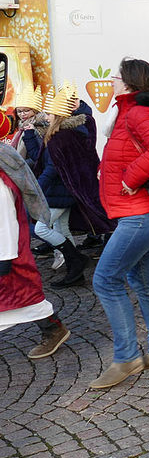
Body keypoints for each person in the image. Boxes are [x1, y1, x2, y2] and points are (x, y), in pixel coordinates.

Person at [91, 58, 149, 389]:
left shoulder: (137, 112)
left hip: (141, 212)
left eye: (116, 76)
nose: (112, 80)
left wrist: (131, 176)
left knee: (106, 280)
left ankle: (127, 357)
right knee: (143, 281)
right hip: (139, 210)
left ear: (129, 83)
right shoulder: (129, 111)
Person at [27, 84, 113, 288]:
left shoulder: (62, 137)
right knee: (61, 226)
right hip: (64, 190)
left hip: (61, 191)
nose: (45, 116)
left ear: (57, 115)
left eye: (49, 113)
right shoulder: (69, 133)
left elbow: (53, 168)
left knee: (41, 228)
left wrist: (35, 189)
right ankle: (74, 270)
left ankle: (75, 259)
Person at [0, 143, 71, 359]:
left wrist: (5, 258)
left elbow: (5, 224)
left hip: (7, 252)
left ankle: (53, 328)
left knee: (23, 295)